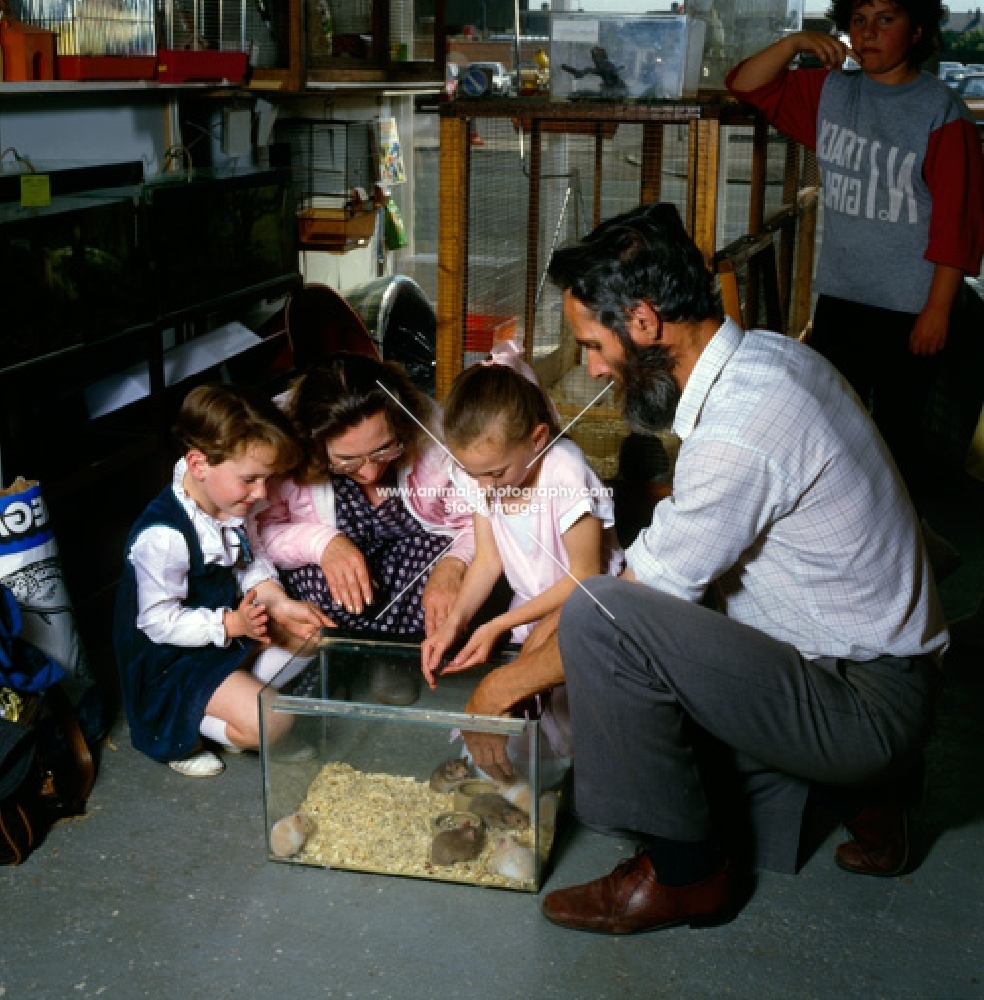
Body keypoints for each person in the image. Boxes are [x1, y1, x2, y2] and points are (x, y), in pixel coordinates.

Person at [459, 202, 947, 935]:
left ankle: (687, 876)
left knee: (600, 621)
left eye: (594, 343)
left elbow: (622, 604)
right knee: (637, 636)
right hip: (865, 668)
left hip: (867, 702)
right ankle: (861, 798)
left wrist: (495, 690)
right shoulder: (772, 360)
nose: (591, 367)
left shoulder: (741, 430)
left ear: (646, 322)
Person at [726, 0, 984, 567]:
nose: (868, 33)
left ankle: (907, 555)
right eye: (859, 19)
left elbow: (957, 221)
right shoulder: (831, 92)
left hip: (910, 308)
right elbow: (746, 85)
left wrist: (938, 309)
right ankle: (853, 550)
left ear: (916, 31)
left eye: (885, 20)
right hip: (841, 301)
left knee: (896, 445)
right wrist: (794, 43)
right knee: (835, 434)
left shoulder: (941, 112)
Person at [420, 341, 623, 767]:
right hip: (531, 606)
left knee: (573, 728)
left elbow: (585, 578)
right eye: (476, 475)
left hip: (590, 606)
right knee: (520, 720)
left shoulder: (563, 470)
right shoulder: (479, 475)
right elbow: (489, 559)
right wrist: (453, 623)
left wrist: (499, 623)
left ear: (537, 439)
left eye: (497, 473)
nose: (487, 487)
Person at [114, 384, 330, 779]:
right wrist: (231, 624)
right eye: (251, 479)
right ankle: (189, 728)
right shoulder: (165, 536)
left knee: (309, 632)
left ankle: (243, 700)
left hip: (227, 632)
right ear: (199, 464)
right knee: (276, 723)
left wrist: (278, 603)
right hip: (174, 659)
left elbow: (250, 559)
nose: (262, 492)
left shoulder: (230, 502)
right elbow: (158, 622)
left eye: (267, 479)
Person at [256, 354, 474, 705]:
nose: (370, 473)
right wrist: (322, 542)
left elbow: (480, 519)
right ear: (315, 444)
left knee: (436, 571)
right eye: (347, 459)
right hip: (334, 572)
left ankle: (388, 657)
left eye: (384, 449)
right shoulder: (283, 445)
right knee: (320, 581)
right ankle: (336, 660)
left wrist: (454, 565)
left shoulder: (431, 434)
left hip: (408, 559)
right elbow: (258, 531)